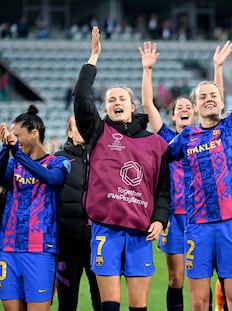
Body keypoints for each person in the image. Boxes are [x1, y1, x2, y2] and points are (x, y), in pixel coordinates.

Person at [167, 19, 232, 311]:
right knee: (199, 302)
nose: (209, 99)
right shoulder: (185, 137)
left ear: (221, 102)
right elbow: (156, 161)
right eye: (202, 97)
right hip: (196, 225)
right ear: (194, 107)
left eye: (214, 96)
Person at [73, 26, 171, 311]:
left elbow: (163, 189)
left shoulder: (156, 144)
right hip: (106, 230)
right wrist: (93, 57)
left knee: (138, 307)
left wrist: (160, 220)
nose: (116, 102)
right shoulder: (98, 132)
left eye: (121, 99)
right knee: (110, 305)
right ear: (106, 107)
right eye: (111, 99)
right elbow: (81, 100)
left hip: (141, 232)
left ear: (133, 106)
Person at [140, 39, 232, 311]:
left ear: (195, 112)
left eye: (187, 107)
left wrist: (218, 68)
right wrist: (147, 70)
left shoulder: (205, 134)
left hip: (202, 214)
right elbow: (147, 104)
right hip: (174, 217)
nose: (183, 110)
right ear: (172, 115)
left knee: (211, 277)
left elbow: (217, 98)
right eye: (178, 108)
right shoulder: (167, 138)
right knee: (176, 278)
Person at [0, 105, 71, 310]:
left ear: (34, 133)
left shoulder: (59, 162)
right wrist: (6, 148)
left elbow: (50, 178)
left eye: (17, 135)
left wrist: (16, 153)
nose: (14, 139)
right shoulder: (13, 165)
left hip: (40, 249)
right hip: (8, 247)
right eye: (11, 135)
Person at [54, 115, 101, 311]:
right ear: (69, 132)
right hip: (67, 242)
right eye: (77, 126)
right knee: (67, 302)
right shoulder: (57, 159)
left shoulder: (104, 157)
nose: (82, 129)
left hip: (98, 242)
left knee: (102, 300)